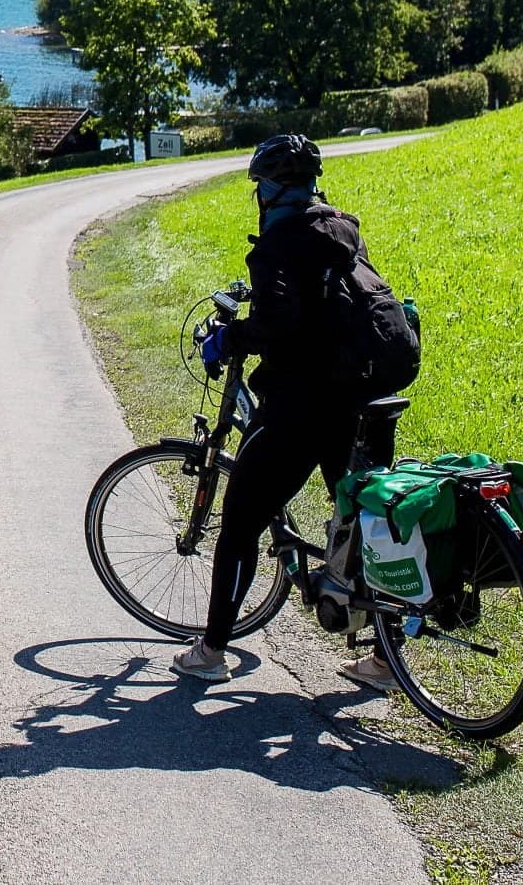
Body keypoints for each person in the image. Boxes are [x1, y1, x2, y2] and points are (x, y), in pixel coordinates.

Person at [172, 134, 396, 690]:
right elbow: (325, 302)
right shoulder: (342, 227)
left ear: (267, 191)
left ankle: (211, 650)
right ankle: (388, 659)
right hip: (362, 395)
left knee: (241, 520)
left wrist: (232, 338)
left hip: (304, 406)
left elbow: (280, 320)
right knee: (370, 521)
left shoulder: (274, 246)